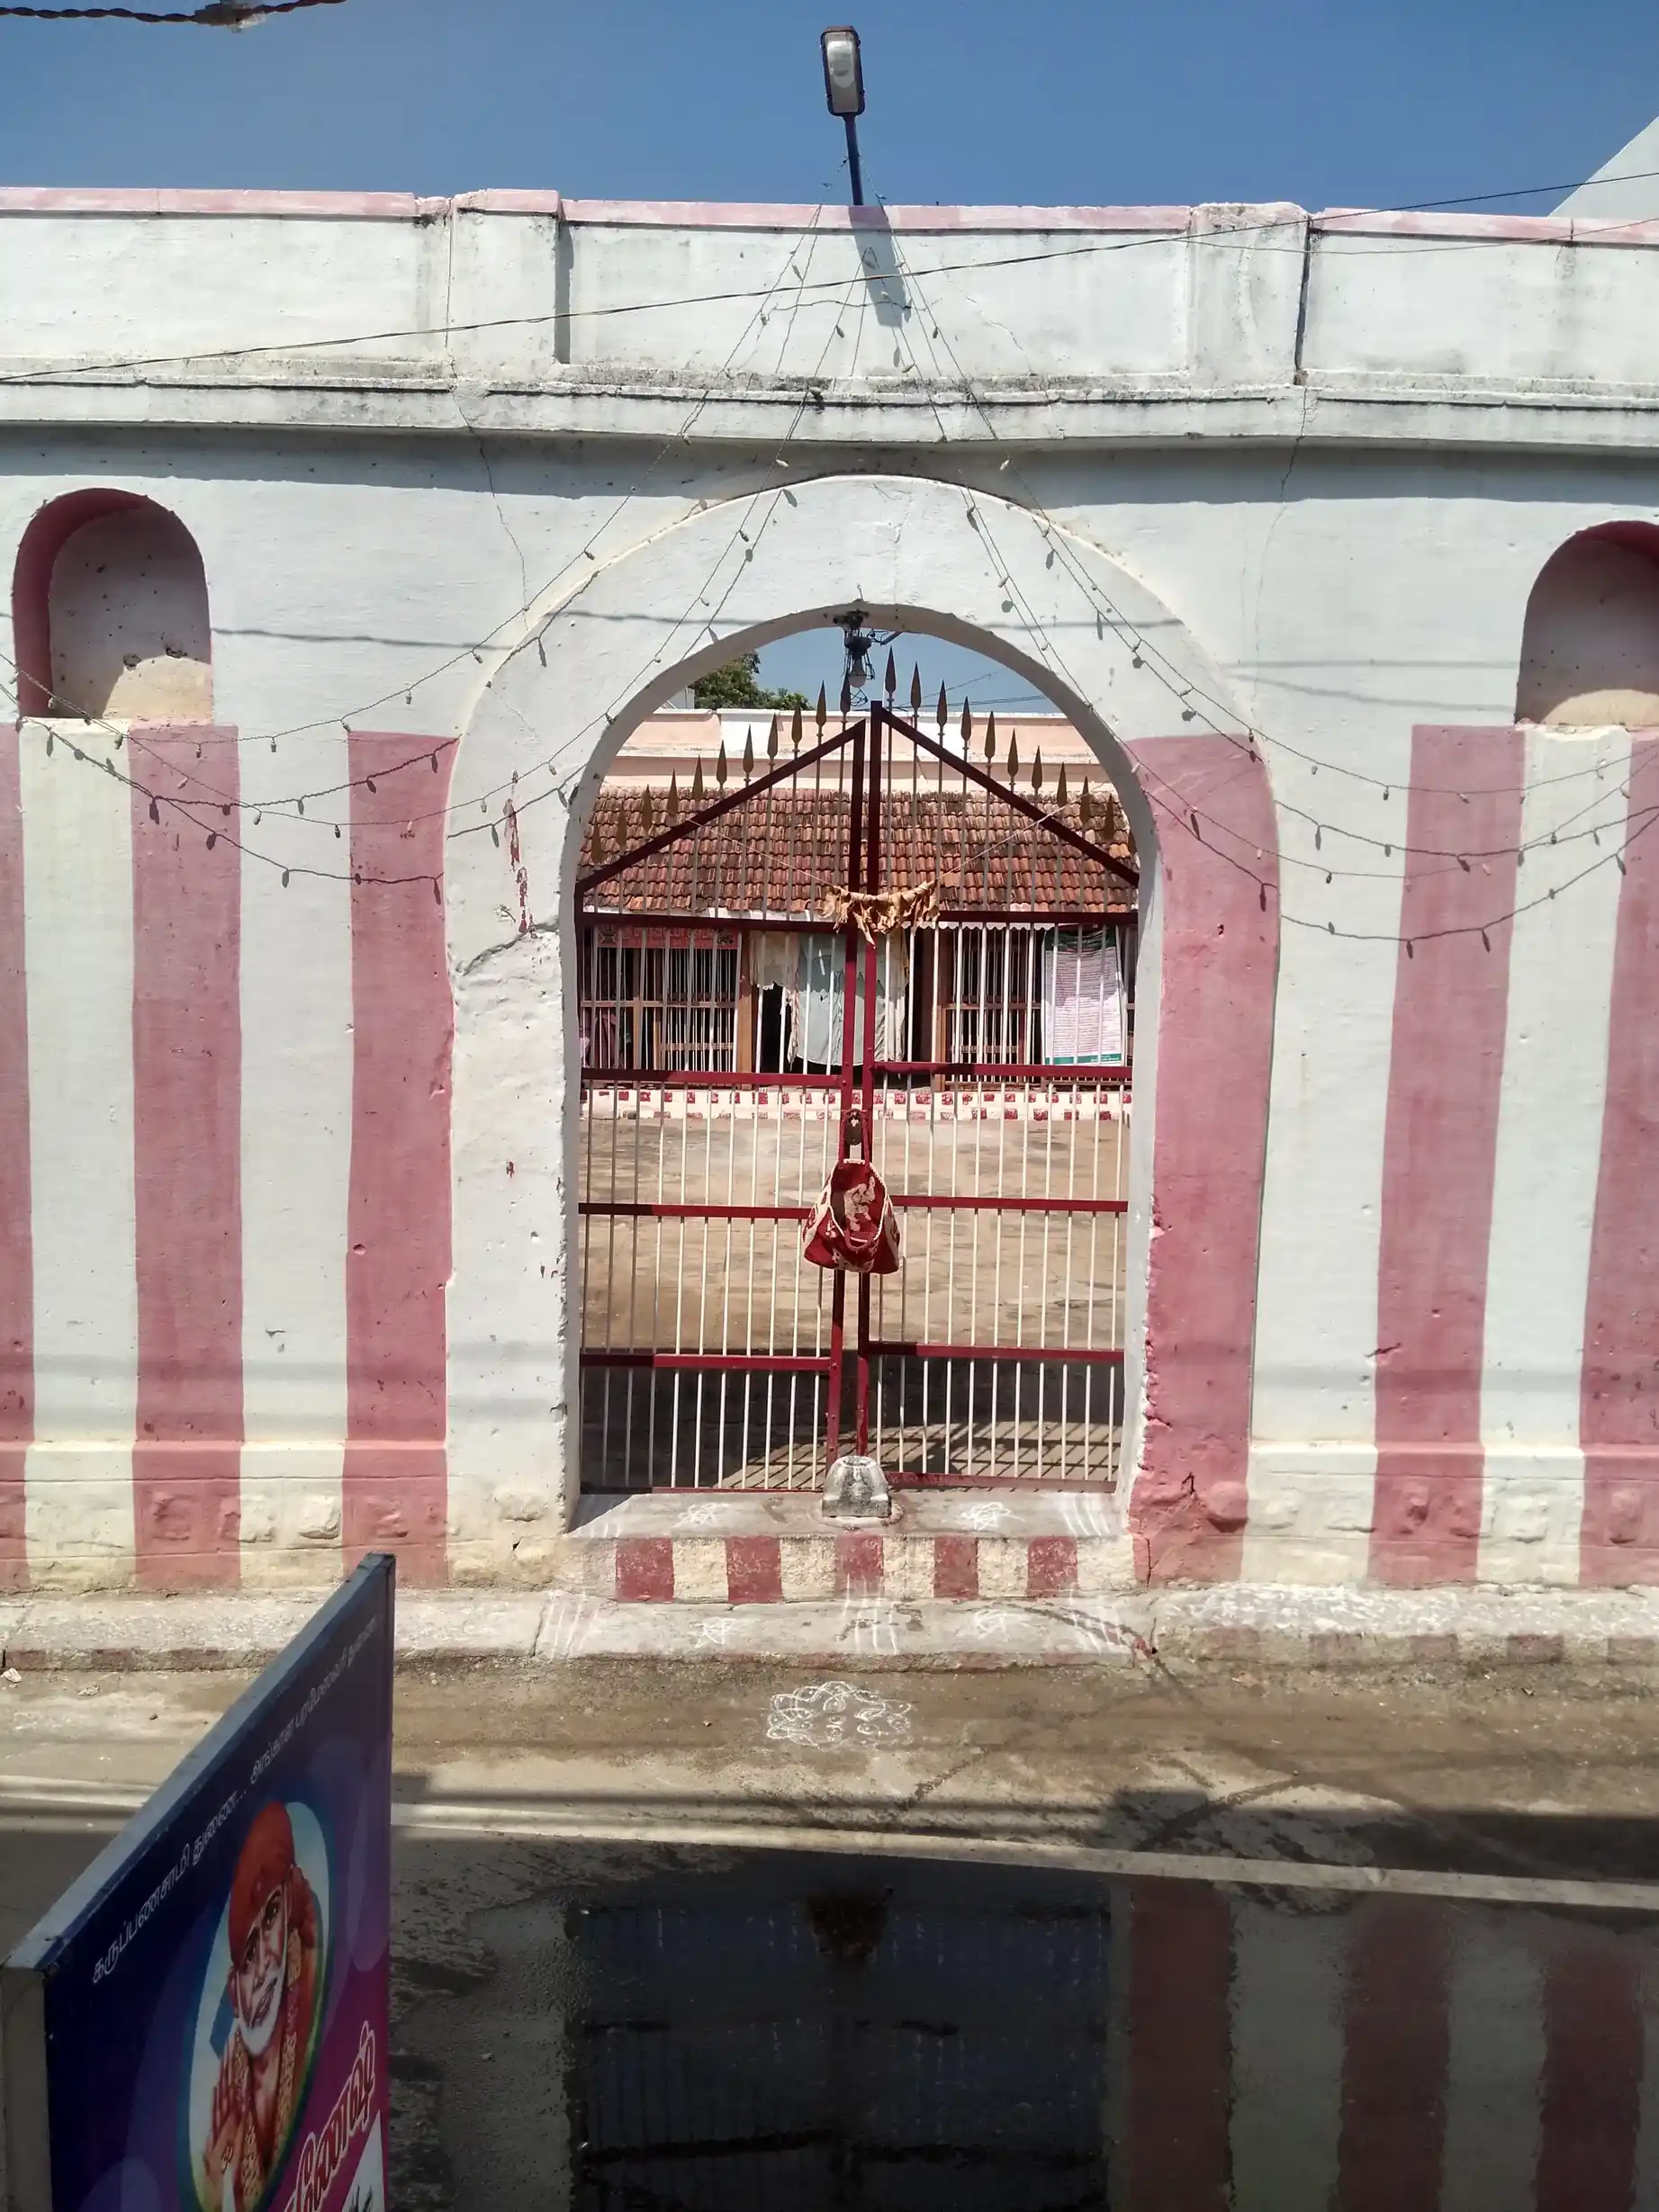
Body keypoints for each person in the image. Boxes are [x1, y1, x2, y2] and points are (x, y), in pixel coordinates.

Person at [201, 1803, 321, 2212]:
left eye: (272, 1916)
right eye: (250, 1953)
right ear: (234, 1991)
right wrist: (217, 2190)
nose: (267, 1959)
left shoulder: (308, 1999)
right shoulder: (228, 2110)